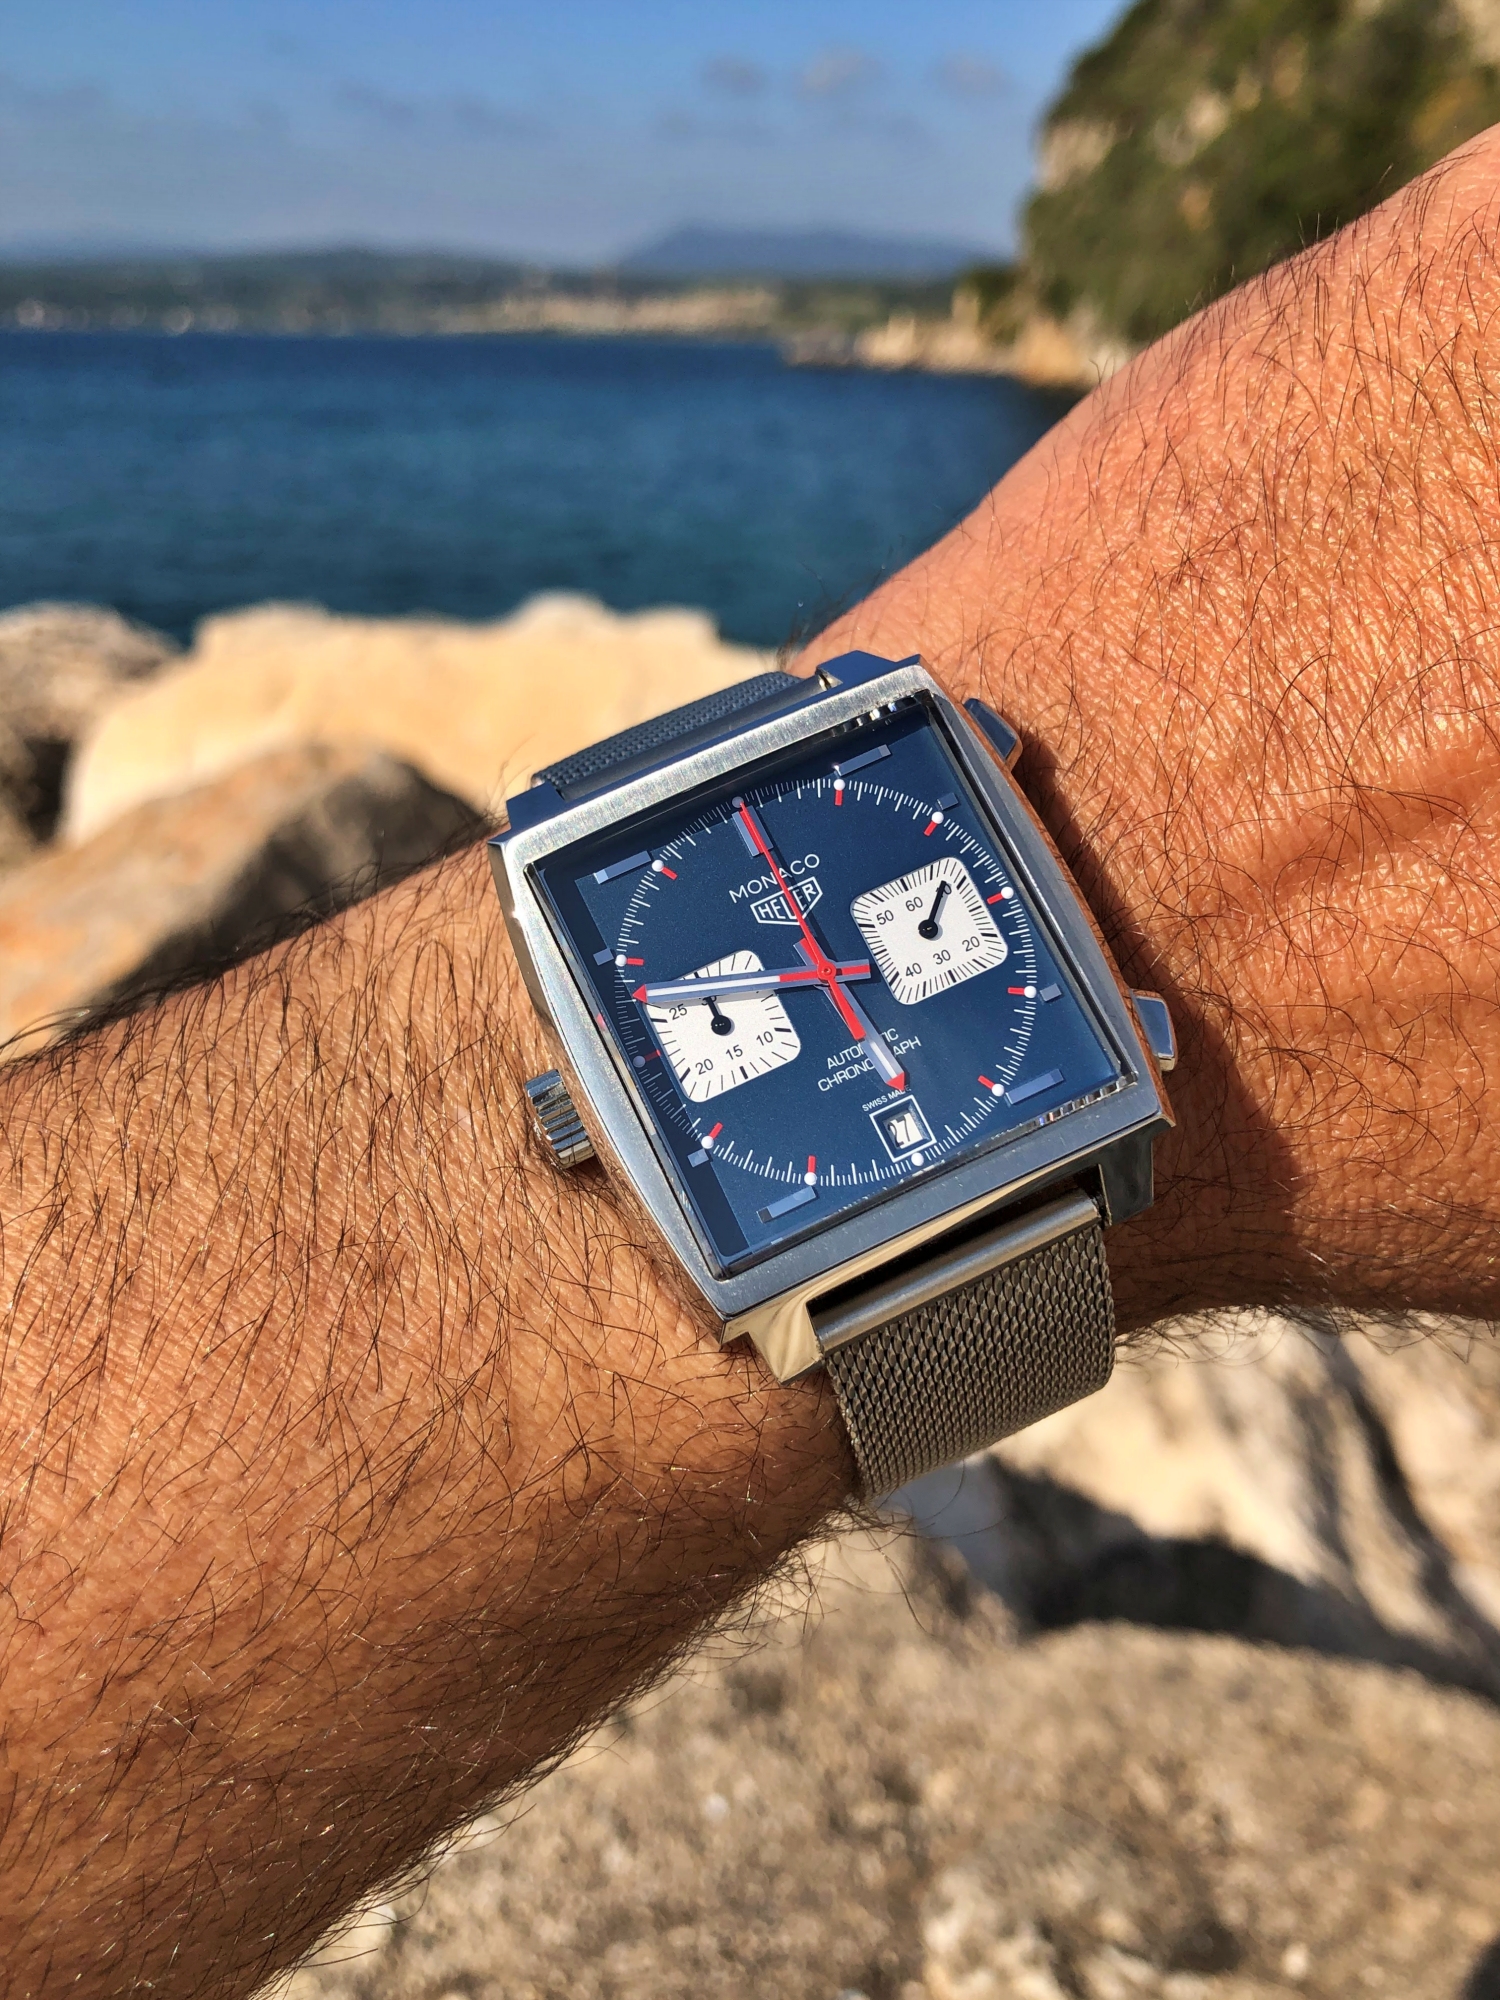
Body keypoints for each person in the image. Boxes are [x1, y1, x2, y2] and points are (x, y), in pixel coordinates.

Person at [9, 126, 1500, 2000]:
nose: (806, 969)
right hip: (929, 1142)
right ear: (568, 1120)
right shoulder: (638, 1101)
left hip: (981, 1105)